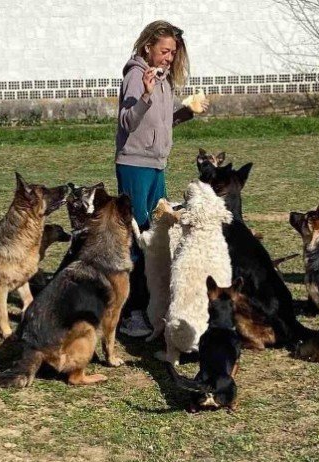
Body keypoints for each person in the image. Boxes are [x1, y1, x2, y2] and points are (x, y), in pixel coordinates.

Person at [115, 20, 209, 337]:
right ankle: (130, 313)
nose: (169, 57)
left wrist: (188, 111)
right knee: (138, 236)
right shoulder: (135, 75)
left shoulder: (164, 80)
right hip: (134, 166)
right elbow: (128, 121)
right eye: (164, 51)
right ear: (148, 47)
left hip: (156, 165)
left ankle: (153, 304)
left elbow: (162, 122)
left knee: (159, 231)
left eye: (173, 52)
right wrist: (145, 94)